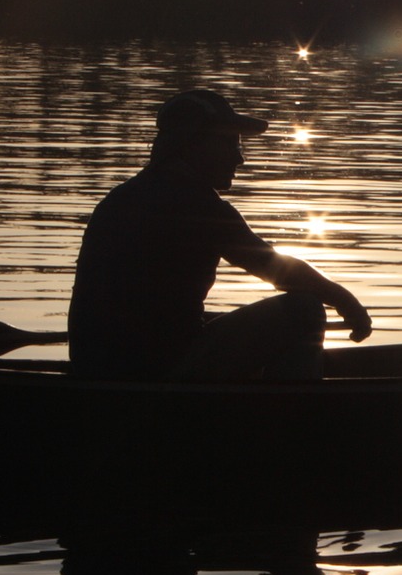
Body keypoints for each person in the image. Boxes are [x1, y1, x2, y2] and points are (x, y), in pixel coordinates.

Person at [68, 89, 371, 381]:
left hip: (96, 365)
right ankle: (295, 417)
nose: (239, 159)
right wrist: (346, 302)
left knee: (216, 318)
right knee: (303, 310)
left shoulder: (122, 197)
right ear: (192, 145)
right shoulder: (196, 206)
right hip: (152, 373)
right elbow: (278, 269)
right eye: (230, 144)